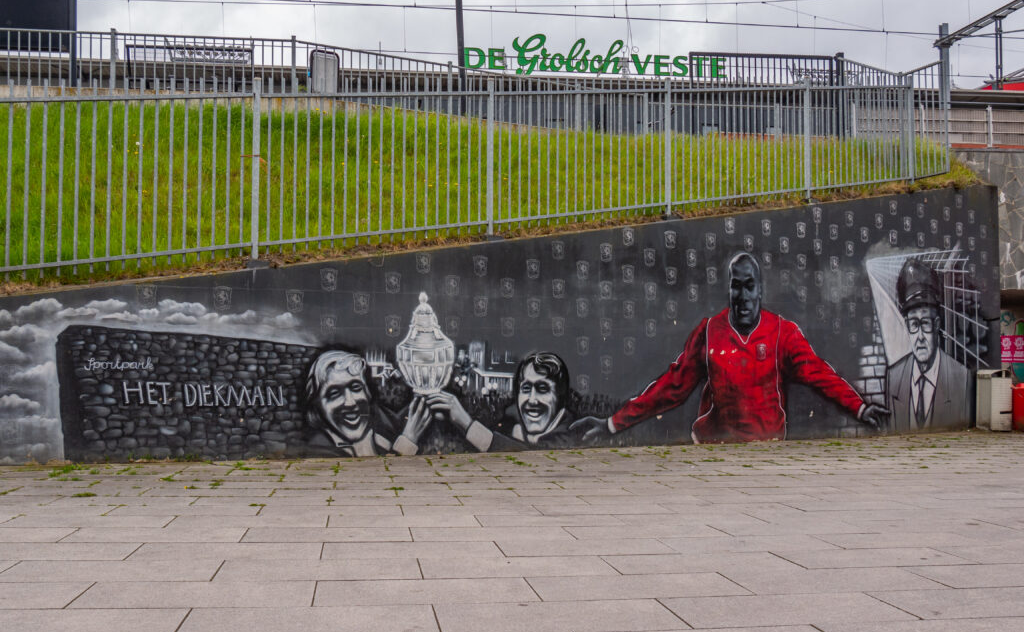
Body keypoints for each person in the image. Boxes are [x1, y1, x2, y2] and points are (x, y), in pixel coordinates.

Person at [572, 252, 888, 444]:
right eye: (736, 286)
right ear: (728, 288)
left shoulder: (783, 334)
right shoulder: (709, 332)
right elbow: (671, 387)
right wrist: (614, 424)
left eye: (749, 286)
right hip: (711, 447)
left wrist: (860, 407)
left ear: (760, 291)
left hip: (766, 449)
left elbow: (821, 374)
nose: (742, 295)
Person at [427, 352, 577, 451]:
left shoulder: (574, 434)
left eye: (542, 389)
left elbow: (529, 457)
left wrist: (466, 423)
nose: (532, 400)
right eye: (526, 389)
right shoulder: (512, 427)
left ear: (560, 396)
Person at [885, 259, 969, 431]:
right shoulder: (894, 378)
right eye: (914, 325)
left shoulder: (960, 378)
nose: (920, 337)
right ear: (907, 327)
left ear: (937, 324)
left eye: (926, 324)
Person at [304, 350, 431, 456]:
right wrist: (407, 443)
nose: (350, 402)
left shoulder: (380, 437)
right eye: (334, 394)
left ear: (367, 393)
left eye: (356, 388)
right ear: (317, 408)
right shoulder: (320, 451)